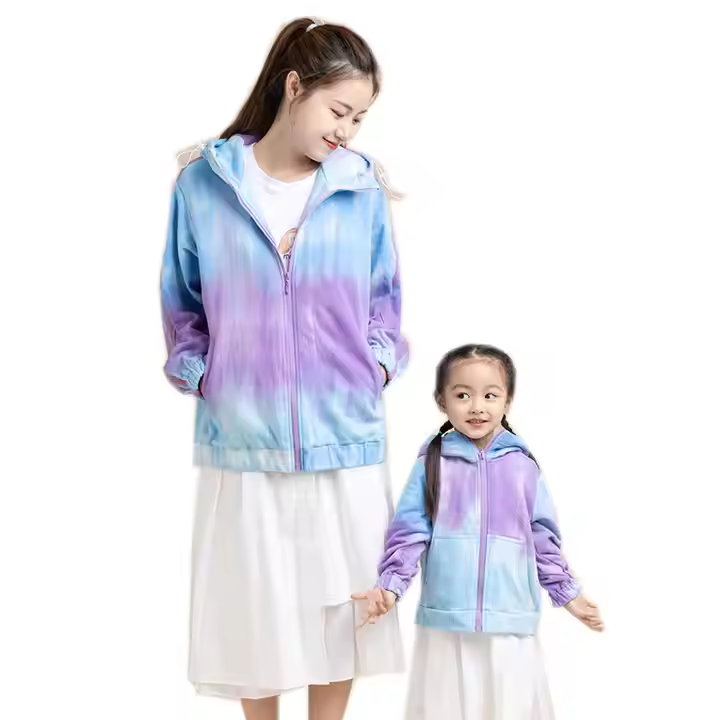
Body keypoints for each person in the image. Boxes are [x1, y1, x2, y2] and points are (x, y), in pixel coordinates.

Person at [160, 16, 408, 720]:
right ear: (294, 87)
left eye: (359, 118)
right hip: (244, 437)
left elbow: (385, 301)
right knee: (253, 614)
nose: (348, 130)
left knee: (341, 611)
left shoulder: (360, 187)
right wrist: (203, 374)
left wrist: (375, 366)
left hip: (343, 433)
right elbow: (182, 301)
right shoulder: (204, 183)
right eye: (339, 111)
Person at [353, 344, 603, 719]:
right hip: (447, 623)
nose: (476, 407)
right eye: (462, 395)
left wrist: (569, 595)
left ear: (508, 400)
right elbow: (409, 532)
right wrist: (390, 587)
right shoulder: (432, 463)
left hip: (509, 620)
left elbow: (543, 540)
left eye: (490, 395)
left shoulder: (523, 467)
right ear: (442, 400)